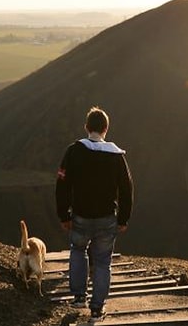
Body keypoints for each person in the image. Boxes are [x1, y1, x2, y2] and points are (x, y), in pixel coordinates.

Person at [55, 106, 133, 322]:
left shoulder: (73, 151)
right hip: (107, 218)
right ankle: (97, 309)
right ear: (106, 129)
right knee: (102, 262)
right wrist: (124, 218)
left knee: (78, 250)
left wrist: (64, 215)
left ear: (87, 127)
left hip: (80, 216)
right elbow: (126, 187)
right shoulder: (116, 156)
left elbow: (62, 183)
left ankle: (79, 296)